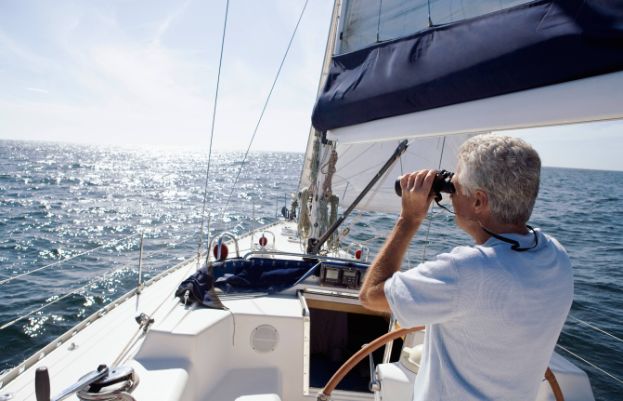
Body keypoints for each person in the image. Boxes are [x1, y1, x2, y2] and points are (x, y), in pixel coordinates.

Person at [359, 134, 573, 401]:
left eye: (454, 186)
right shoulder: (555, 255)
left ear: (479, 202)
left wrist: (409, 219)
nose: (450, 196)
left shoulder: (466, 271)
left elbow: (370, 295)